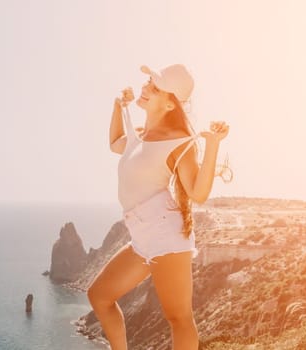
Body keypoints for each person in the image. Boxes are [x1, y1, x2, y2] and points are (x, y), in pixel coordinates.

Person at [87, 64, 230, 350]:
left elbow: (198, 193)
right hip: (141, 235)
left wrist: (213, 145)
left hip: (165, 233)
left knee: (178, 317)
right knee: (100, 296)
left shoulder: (179, 144)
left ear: (169, 103)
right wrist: (119, 106)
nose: (145, 87)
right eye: (148, 82)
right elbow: (115, 143)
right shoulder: (139, 135)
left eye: (154, 86)